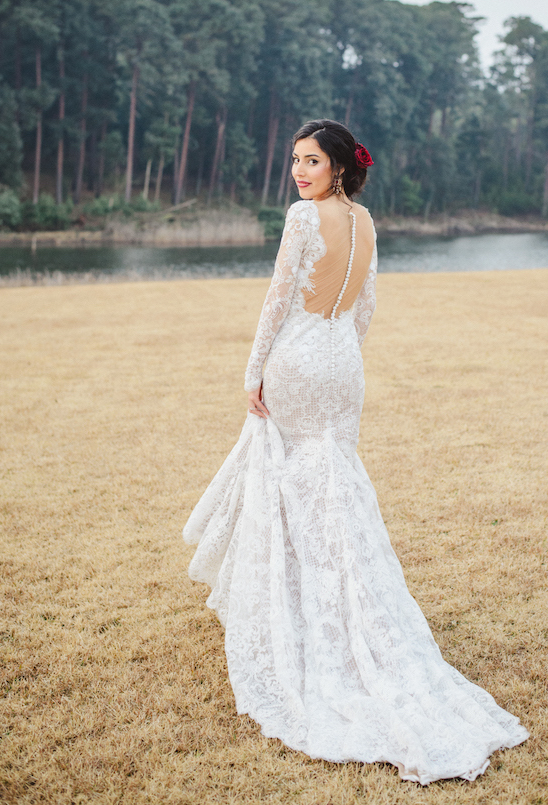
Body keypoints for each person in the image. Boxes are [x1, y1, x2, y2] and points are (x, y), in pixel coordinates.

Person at [183, 118, 528, 783]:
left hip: (301, 359)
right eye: (294, 161)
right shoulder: (366, 222)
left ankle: (297, 611)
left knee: (286, 477)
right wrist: (343, 357)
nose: (299, 171)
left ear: (339, 164)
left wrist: (253, 369)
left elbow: (277, 299)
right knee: (333, 479)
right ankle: (344, 600)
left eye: (311, 160)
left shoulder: (303, 219)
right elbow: (365, 304)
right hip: (343, 361)